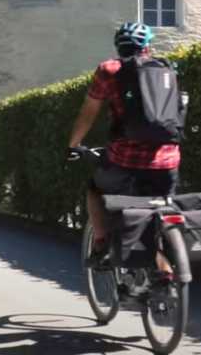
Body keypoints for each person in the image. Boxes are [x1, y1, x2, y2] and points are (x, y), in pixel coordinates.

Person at [67, 22, 180, 277]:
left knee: (95, 189)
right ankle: (168, 274)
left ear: (119, 47)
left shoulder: (109, 70)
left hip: (126, 160)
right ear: (147, 46)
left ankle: (102, 243)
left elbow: (89, 112)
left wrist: (73, 144)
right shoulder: (168, 69)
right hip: (168, 160)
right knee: (155, 212)